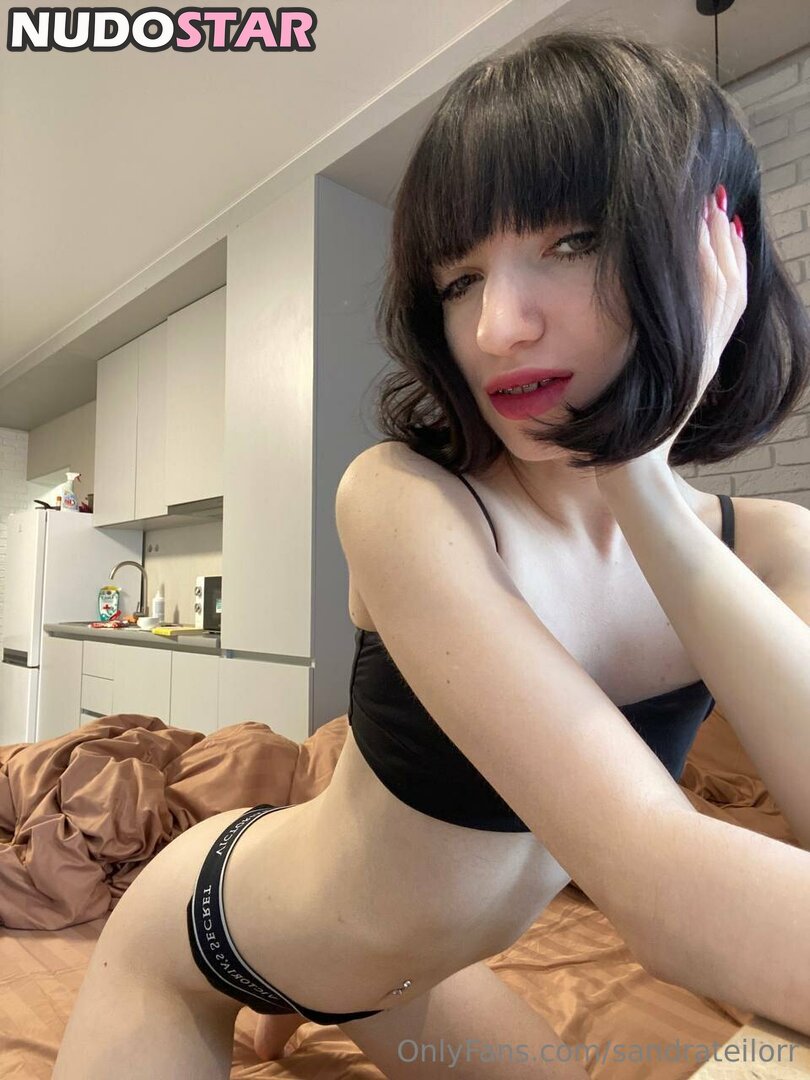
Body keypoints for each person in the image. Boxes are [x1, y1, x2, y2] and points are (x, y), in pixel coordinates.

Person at [54, 26, 810, 1080]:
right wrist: (634, 462)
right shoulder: (408, 501)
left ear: (713, 254)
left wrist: (644, 484)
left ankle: (309, 1000)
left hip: (405, 984)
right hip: (209, 927)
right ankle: (281, 990)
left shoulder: (772, 547)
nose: (498, 327)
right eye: (458, 280)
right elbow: (661, 889)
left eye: (572, 241)